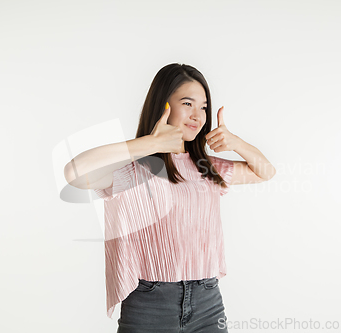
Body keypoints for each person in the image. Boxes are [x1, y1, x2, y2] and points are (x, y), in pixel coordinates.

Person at [63, 63, 276, 332]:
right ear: (163, 105)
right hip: (149, 304)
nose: (197, 115)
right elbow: (73, 172)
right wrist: (151, 143)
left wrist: (237, 144)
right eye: (187, 103)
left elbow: (265, 171)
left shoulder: (207, 167)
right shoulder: (134, 169)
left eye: (203, 106)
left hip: (207, 301)